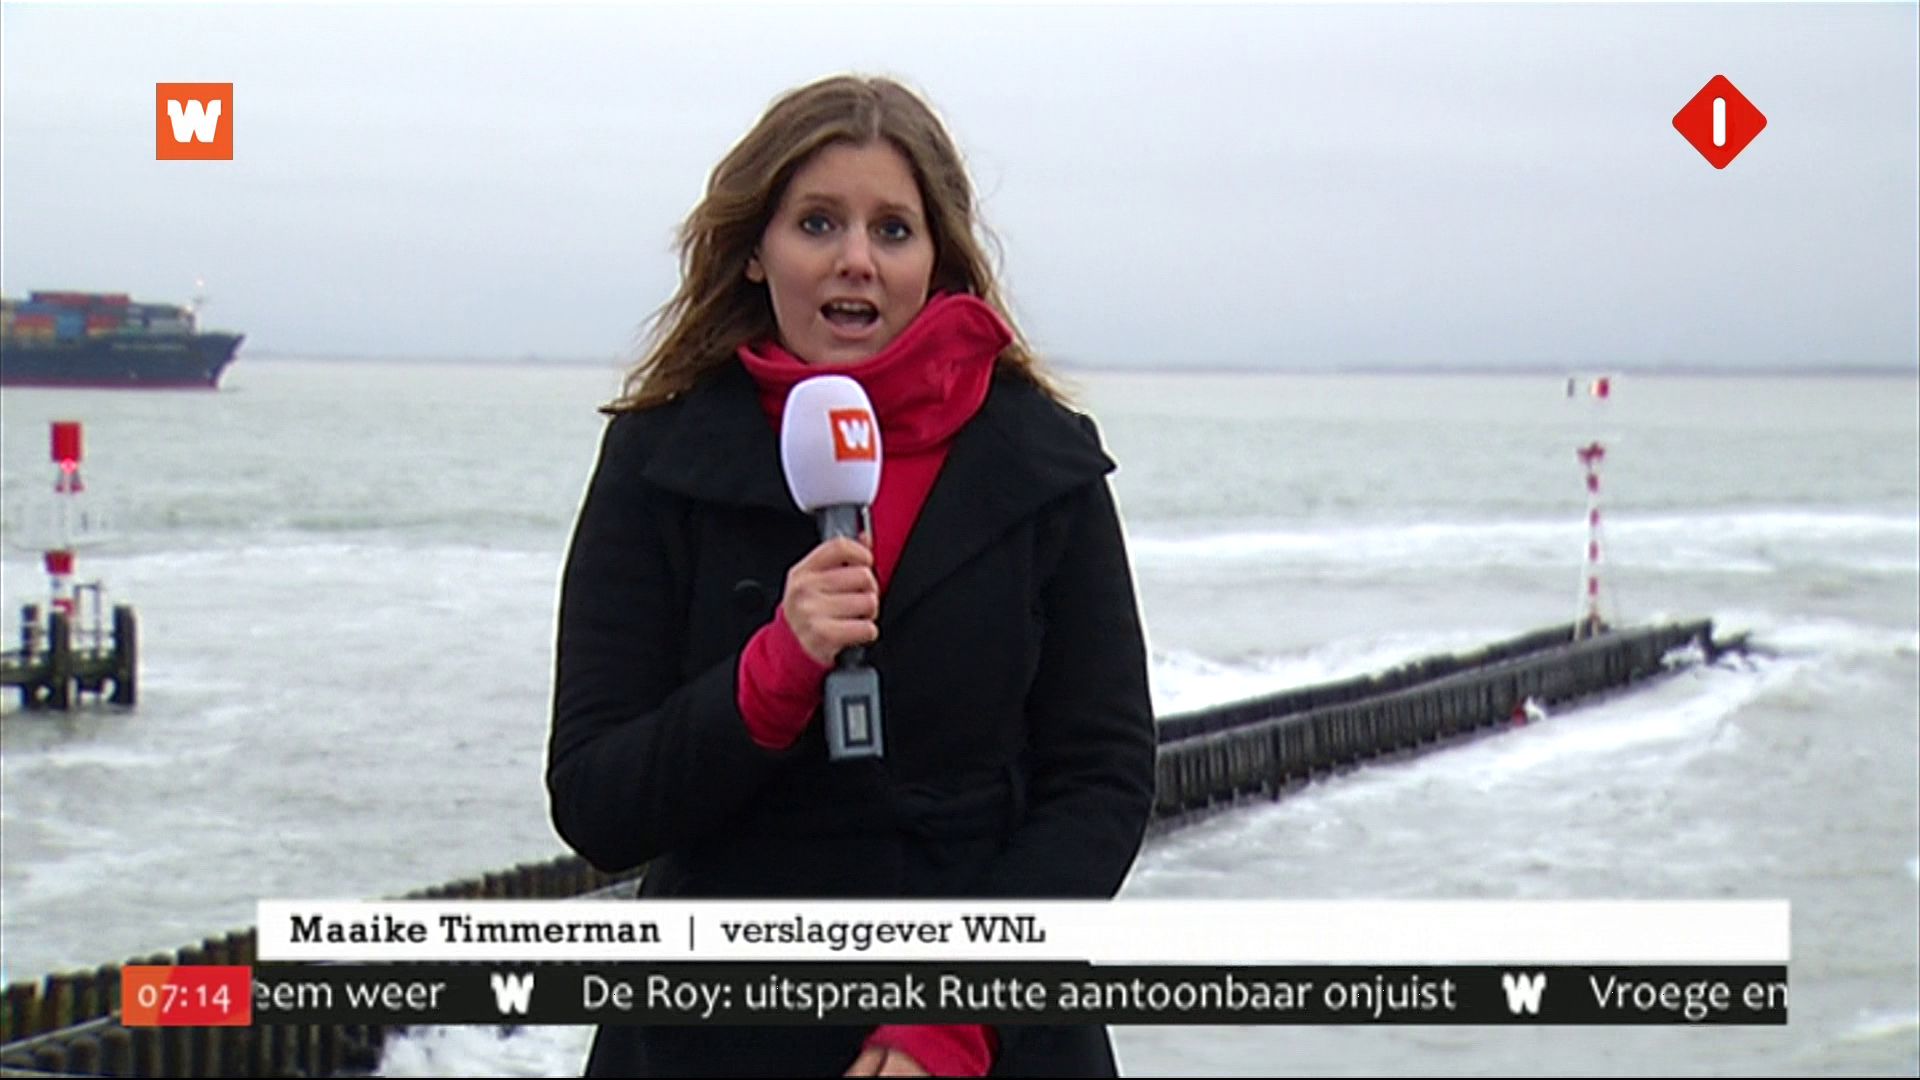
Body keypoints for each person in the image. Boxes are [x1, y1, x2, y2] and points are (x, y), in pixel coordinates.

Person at [548, 74, 1156, 1078]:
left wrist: (959, 1015)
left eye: (893, 230)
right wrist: (771, 674)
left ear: (938, 258)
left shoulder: (1041, 463)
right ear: (755, 250)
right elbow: (596, 804)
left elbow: (1103, 780)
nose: (856, 260)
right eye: (818, 223)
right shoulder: (661, 460)